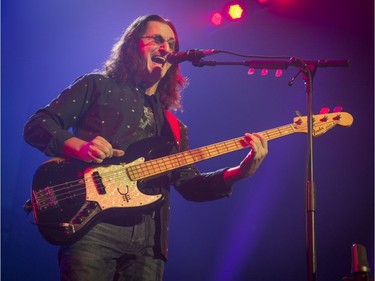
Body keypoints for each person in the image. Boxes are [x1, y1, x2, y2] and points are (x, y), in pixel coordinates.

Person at [23, 14, 268, 281]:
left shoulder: (174, 126)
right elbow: (38, 125)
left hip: (150, 241)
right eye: (157, 40)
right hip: (94, 227)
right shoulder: (97, 85)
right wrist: (79, 147)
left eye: (172, 44)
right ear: (131, 46)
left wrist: (239, 172)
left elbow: (189, 184)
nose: (167, 49)